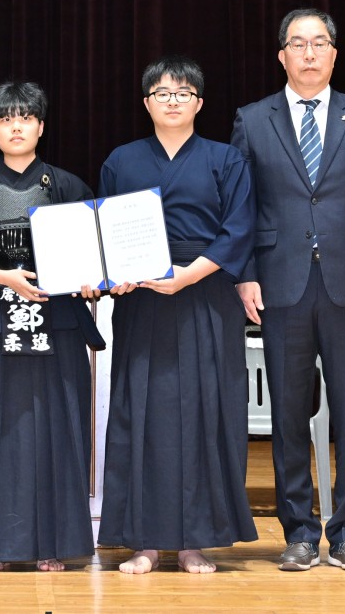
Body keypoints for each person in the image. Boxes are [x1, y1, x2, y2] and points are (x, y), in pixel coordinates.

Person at [230, 8, 345, 572]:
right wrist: (245, 272)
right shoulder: (252, 119)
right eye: (298, 44)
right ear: (281, 55)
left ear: (334, 54)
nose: (309, 53)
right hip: (280, 285)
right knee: (287, 415)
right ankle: (300, 532)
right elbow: (240, 207)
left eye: (320, 43)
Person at [98, 55, 257, 575]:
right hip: (141, 297)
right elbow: (105, 231)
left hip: (206, 292)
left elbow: (239, 229)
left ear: (199, 103)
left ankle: (195, 541)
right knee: (140, 412)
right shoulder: (121, 160)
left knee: (205, 412)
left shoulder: (225, 159)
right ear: (146, 103)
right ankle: (143, 540)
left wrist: (189, 275)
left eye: (183, 93)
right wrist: (116, 274)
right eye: (162, 93)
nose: (173, 101)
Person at [0, 81, 103, 572]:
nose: (16, 127)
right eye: (5, 119)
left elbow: (93, 254)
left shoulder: (68, 187)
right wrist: (4, 277)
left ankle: (54, 544)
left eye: (26, 118)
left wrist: (91, 280)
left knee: (59, 431)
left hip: (59, 325)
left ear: (41, 126)